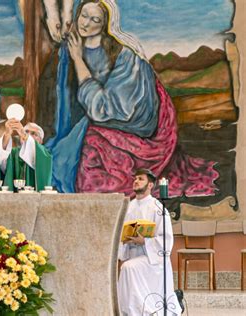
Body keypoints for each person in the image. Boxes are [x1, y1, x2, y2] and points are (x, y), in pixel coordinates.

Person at [45, 0, 219, 197]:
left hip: (133, 127)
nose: (86, 23)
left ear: (106, 24)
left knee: (87, 160)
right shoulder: (74, 47)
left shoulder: (125, 57)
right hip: (104, 118)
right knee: (61, 153)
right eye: (84, 15)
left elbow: (104, 108)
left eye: (95, 19)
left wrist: (77, 60)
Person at [117, 169, 181, 315]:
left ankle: (137, 310)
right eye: (135, 178)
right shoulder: (128, 206)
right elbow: (120, 231)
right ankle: (130, 309)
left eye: (140, 179)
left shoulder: (157, 208)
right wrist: (125, 239)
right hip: (133, 253)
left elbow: (166, 240)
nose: (136, 181)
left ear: (150, 185)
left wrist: (144, 241)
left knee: (128, 268)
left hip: (153, 260)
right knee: (127, 266)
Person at [0, 118, 52, 192]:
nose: (29, 135)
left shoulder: (45, 154)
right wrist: (7, 134)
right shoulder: (13, 153)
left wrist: (23, 133)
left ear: (41, 141)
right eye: (26, 132)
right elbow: (2, 157)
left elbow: (34, 150)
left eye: (34, 134)